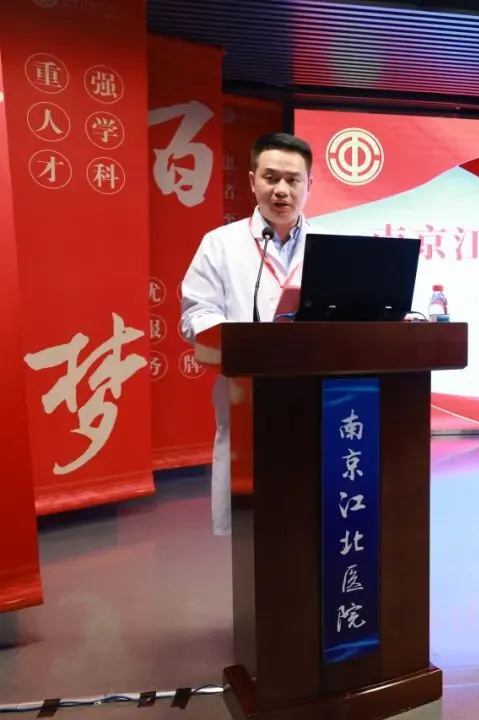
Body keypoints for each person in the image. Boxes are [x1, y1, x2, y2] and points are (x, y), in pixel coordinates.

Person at [180, 132, 316, 535]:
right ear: (252, 180)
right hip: (246, 394)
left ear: (309, 185)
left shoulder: (331, 243)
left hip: (317, 391)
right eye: (271, 178)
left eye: (293, 180)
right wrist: (235, 340)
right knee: (251, 525)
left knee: (311, 512)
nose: (281, 190)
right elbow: (195, 313)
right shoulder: (220, 244)